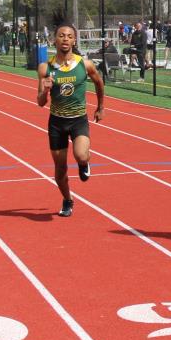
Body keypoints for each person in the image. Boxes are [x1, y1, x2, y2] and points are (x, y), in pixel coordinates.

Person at [37, 24, 105, 217]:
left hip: (78, 120)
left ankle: (84, 164)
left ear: (74, 40)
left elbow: (99, 83)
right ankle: (68, 199)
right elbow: (40, 102)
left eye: (69, 36)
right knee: (60, 170)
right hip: (56, 123)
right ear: (54, 40)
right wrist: (45, 90)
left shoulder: (85, 64)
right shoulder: (45, 68)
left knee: (81, 155)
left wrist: (100, 107)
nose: (65, 39)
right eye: (61, 35)